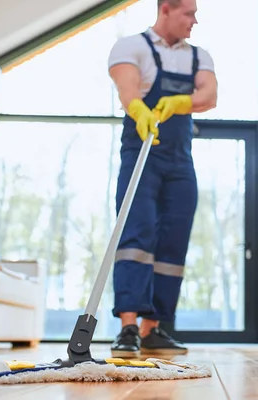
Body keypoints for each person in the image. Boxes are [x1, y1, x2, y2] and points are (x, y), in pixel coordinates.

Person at [106, 0, 217, 357]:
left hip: (181, 160)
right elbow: (128, 90)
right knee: (135, 234)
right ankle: (127, 327)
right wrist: (138, 108)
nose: (195, 21)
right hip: (141, 152)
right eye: (189, 13)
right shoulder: (131, 46)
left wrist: (181, 103)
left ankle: (153, 328)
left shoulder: (199, 56)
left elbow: (209, 95)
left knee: (174, 239)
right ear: (166, 8)